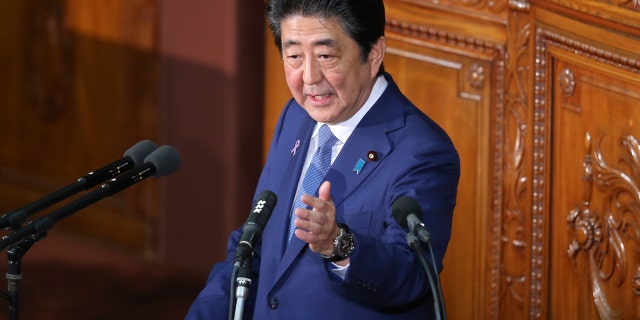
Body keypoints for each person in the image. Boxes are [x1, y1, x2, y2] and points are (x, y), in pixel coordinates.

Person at [185, 0, 460, 319]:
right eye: (294, 57)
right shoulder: (296, 116)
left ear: (372, 53)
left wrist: (338, 244)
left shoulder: (422, 150)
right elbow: (253, 241)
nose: (310, 78)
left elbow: (411, 277)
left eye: (325, 56)